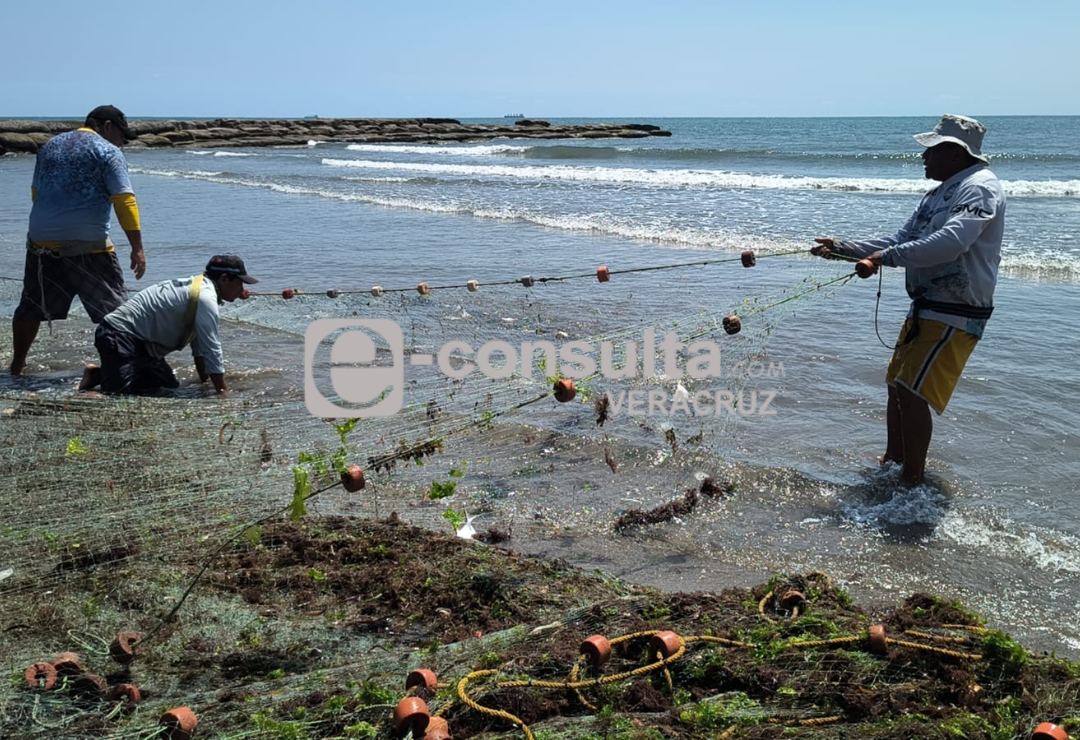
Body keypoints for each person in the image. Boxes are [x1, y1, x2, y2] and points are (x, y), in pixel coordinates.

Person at [811, 114, 1005, 486]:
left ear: (954, 154)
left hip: (957, 309)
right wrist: (843, 249)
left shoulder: (980, 188)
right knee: (897, 384)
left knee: (913, 391)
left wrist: (883, 259)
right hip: (928, 304)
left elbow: (952, 243)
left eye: (931, 150)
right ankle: (893, 460)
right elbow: (900, 239)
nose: (924, 157)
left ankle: (911, 480)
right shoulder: (937, 193)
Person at [9, 104, 147, 375]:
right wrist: (137, 248)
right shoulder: (108, 151)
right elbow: (124, 200)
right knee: (116, 311)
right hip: (88, 246)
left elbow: (37, 193)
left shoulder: (50, 146)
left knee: (31, 307)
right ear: (107, 126)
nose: (123, 142)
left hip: (40, 243)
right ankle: (125, 369)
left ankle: (16, 366)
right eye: (122, 135)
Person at [79, 255, 258, 396]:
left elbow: (200, 346)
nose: (242, 289)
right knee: (118, 395)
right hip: (118, 333)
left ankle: (98, 375)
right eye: (240, 282)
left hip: (142, 343)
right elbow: (212, 348)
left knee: (167, 388)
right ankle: (100, 382)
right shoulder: (206, 297)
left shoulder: (201, 290)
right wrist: (222, 391)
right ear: (225, 279)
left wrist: (205, 380)